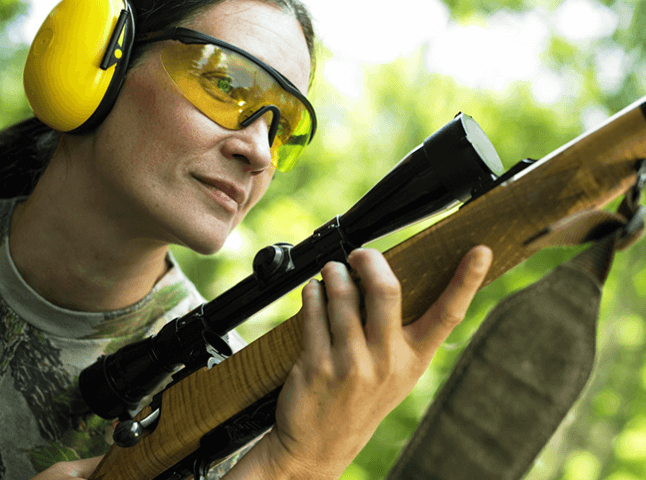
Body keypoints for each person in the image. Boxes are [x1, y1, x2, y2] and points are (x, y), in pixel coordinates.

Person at [0, 0, 493, 479]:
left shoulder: (219, 412)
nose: (259, 151)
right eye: (225, 83)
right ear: (102, 60)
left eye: (283, 128)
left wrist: (301, 467)